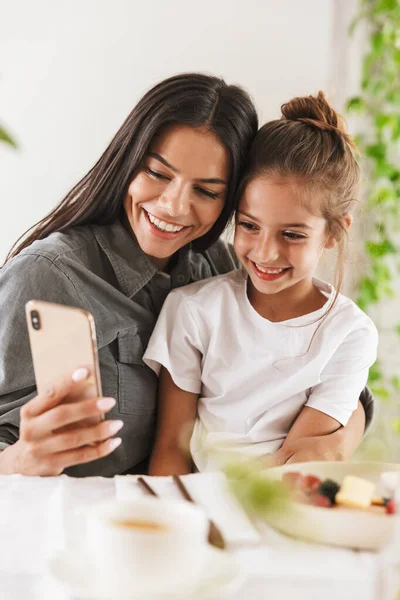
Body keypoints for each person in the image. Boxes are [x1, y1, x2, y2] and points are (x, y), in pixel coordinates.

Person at [0, 76, 371, 478]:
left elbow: (342, 385)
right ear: (128, 160)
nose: (174, 206)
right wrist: (18, 459)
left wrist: (332, 443)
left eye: (207, 192)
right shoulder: (47, 276)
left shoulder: (217, 264)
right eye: (158, 173)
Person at [145, 92, 378, 475]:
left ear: (334, 232)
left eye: (292, 234)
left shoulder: (350, 334)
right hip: (195, 504)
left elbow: (299, 462)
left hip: (281, 503)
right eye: (250, 226)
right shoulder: (192, 310)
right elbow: (171, 449)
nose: (265, 253)